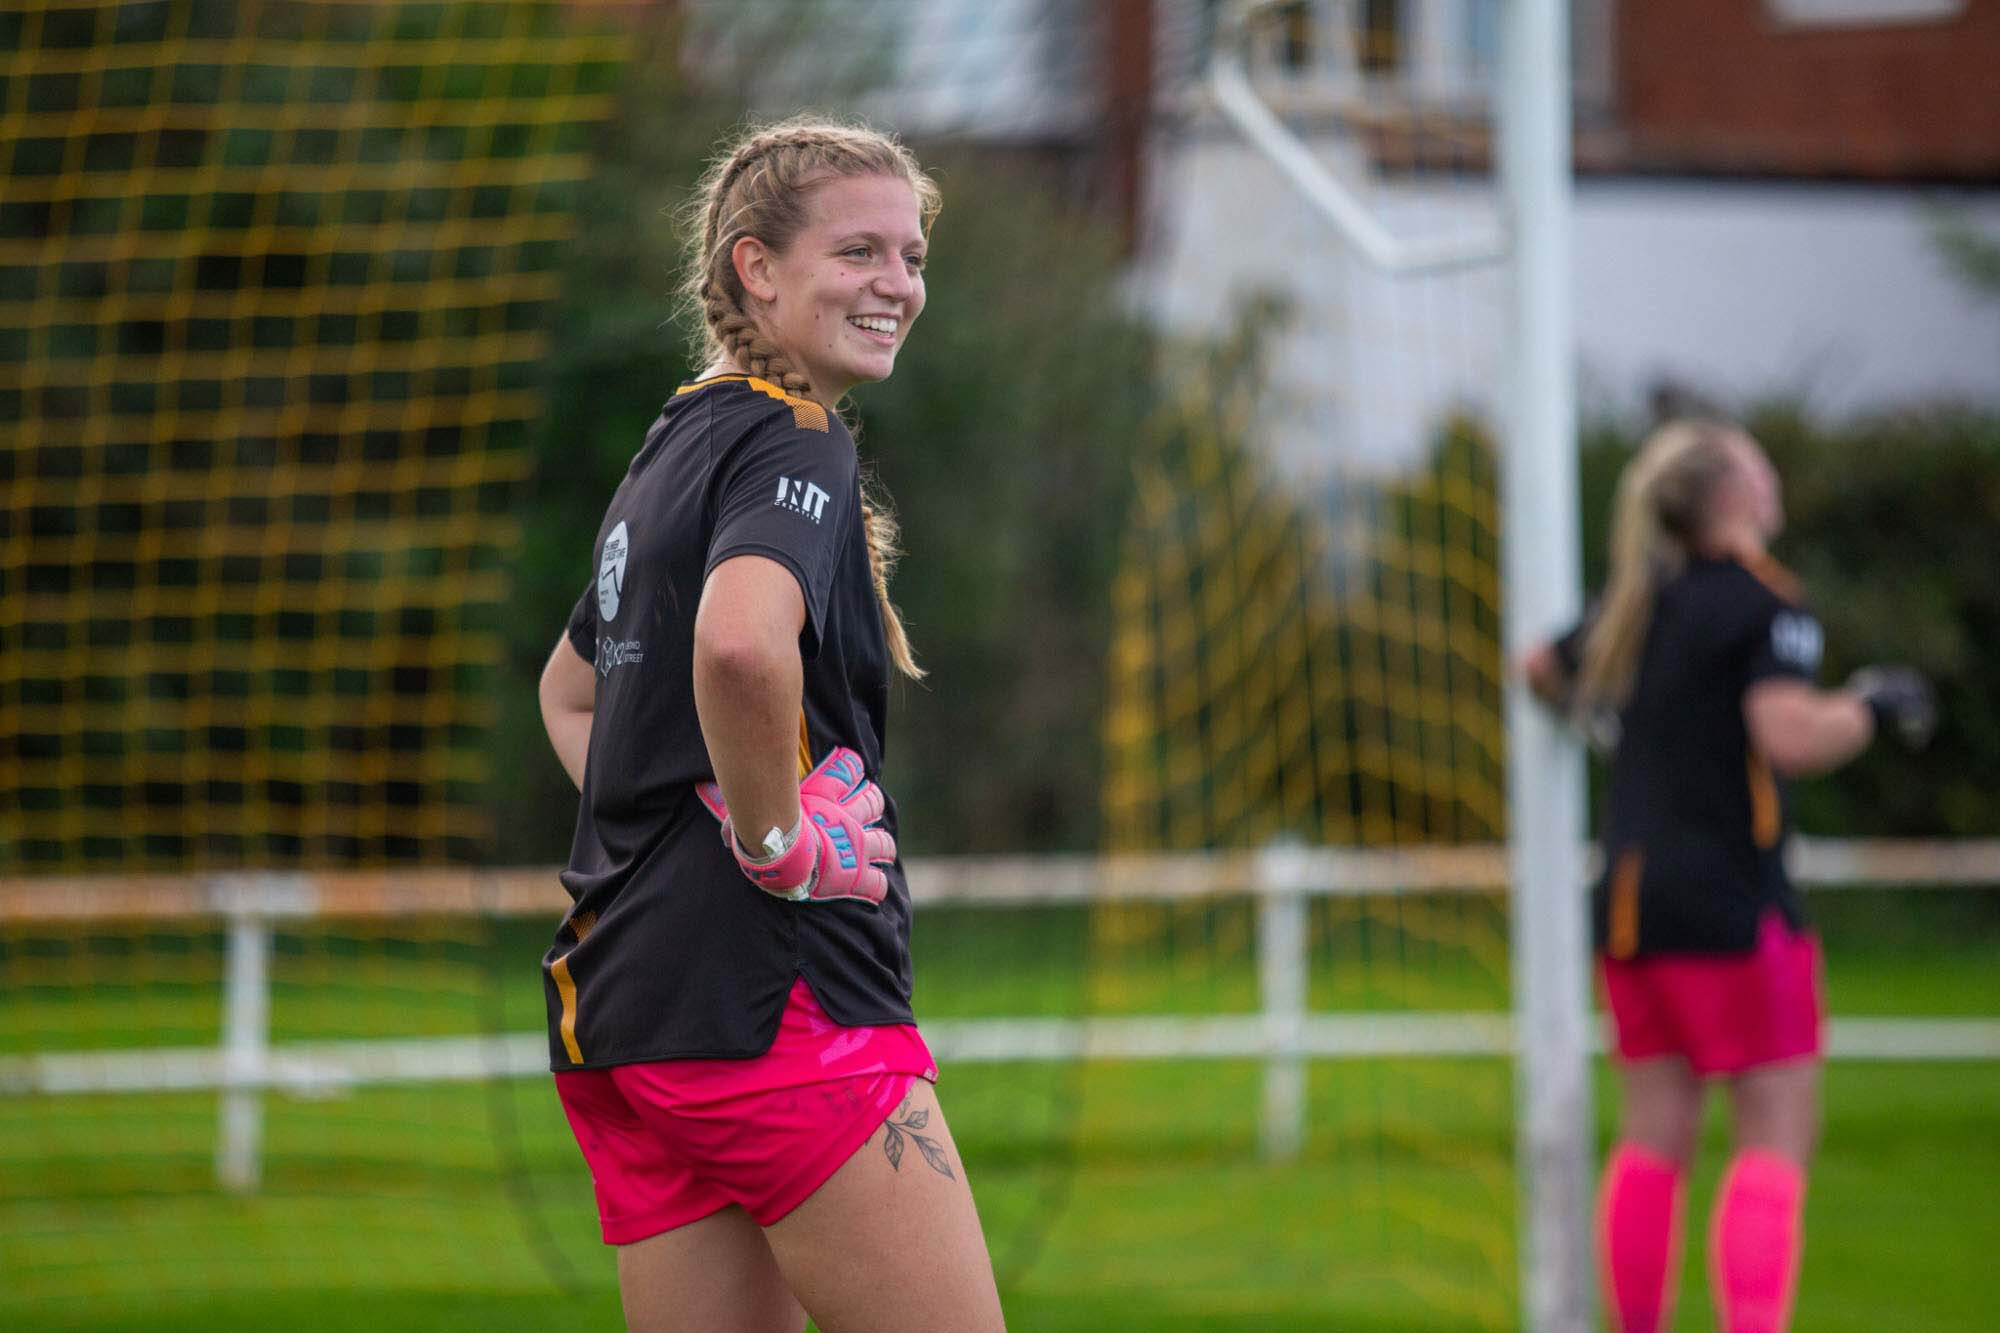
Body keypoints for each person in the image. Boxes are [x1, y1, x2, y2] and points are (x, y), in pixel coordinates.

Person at [536, 115, 1005, 1333]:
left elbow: (570, 694)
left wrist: (691, 839)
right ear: (756, 267)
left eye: (911, 256)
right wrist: (775, 841)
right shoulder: (790, 437)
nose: (896, 284)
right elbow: (739, 646)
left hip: (627, 1017)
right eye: (858, 252)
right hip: (777, 1009)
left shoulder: (669, 447)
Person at [1522, 420, 1934, 1333]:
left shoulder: (1642, 599)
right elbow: (1787, 733)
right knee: (1775, 1137)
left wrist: (1605, 719)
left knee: (1653, 1142)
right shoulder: (1764, 601)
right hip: (1733, 905)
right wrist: (1868, 705)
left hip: (1632, 906)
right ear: (1739, 493)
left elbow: (1543, 666)